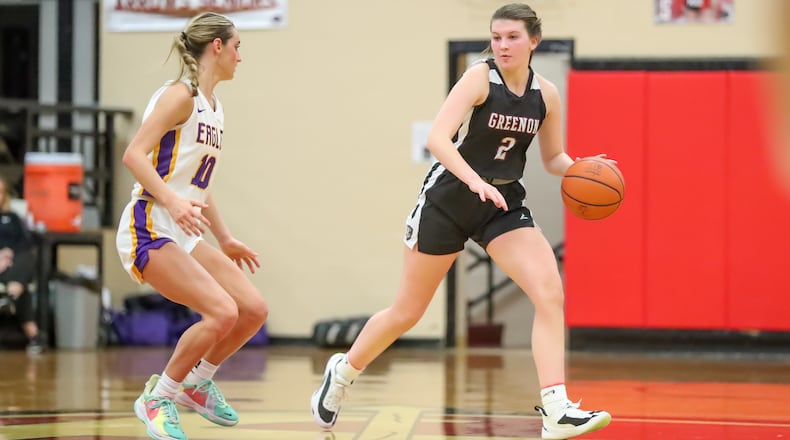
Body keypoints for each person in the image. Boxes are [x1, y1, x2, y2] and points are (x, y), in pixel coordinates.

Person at [310, 4, 612, 439]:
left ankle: (556, 409)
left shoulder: (546, 94)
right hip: (449, 197)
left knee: (549, 292)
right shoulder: (478, 77)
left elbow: (551, 159)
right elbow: (438, 138)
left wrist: (583, 167)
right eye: (497, 36)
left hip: (502, 201)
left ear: (534, 42)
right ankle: (342, 373)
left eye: (512, 37)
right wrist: (474, 181)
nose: (503, 45)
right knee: (407, 312)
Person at [115, 12, 267, 440]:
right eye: (237, 47)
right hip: (149, 224)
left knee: (252, 310)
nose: (241, 57)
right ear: (216, 46)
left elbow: (201, 185)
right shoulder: (180, 96)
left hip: (184, 228)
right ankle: (158, 396)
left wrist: (226, 238)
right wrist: (172, 202)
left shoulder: (214, 108)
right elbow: (134, 155)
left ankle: (196, 386)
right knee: (221, 312)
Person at [0, 175, 41, 354]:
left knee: (28, 256)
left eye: (1, 192)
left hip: (14, 265)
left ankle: (10, 295)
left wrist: (9, 256)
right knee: (22, 285)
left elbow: (25, 244)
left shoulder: (13, 217)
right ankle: (33, 335)